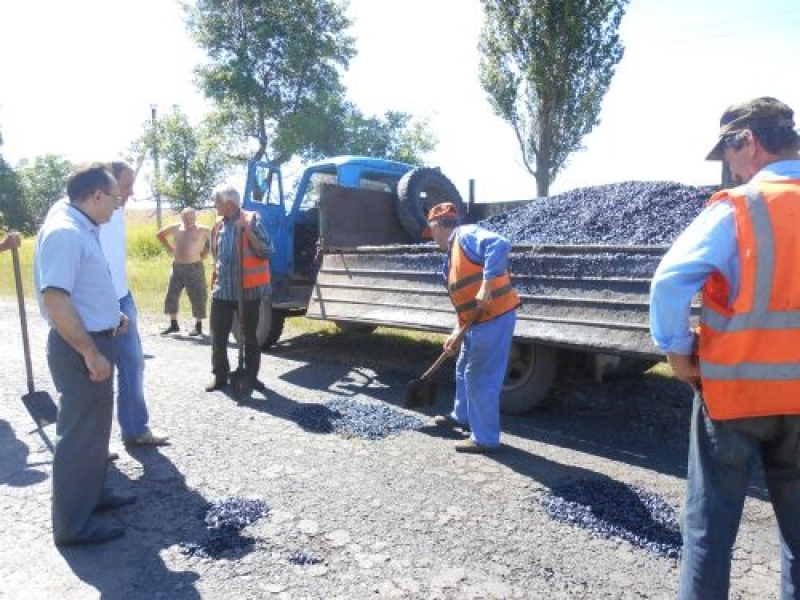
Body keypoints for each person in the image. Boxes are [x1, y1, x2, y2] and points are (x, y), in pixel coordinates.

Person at [649, 97, 800, 599]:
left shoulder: (740, 209)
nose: (729, 169)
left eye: (728, 155)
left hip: (733, 396)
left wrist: (676, 351)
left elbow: (670, 281)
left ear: (749, 143)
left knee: (709, 535)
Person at [34, 163, 136, 545]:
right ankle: (73, 526)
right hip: (80, 347)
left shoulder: (80, 223)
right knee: (79, 437)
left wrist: (112, 316)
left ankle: (92, 495)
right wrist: (91, 353)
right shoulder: (65, 231)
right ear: (96, 196)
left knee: (95, 432)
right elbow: (56, 299)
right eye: (115, 197)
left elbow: (82, 288)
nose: (118, 204)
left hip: (94, 336)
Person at [426, 202, 520, 454]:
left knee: (480, 377)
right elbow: (464, 303)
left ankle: (485, 439)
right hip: (475, 322)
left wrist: (486, 286)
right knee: (463, 368)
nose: (432, 238)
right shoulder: (451, 257)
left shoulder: (466, 234)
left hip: (494, 317)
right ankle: (462, 416)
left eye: (431, 232)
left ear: (436, 226)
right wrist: (456, 334)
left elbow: (499, 244)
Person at [99, 162, 169, 446]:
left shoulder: (118, 209)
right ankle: (93, 445)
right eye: (126, 185)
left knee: (133, 363)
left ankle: (135, 429)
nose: (132, 191)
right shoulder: (93, 215)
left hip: (123, 296)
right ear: (106, 188)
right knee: (97, 373)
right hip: (99, 302)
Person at [206, 186, 273, 394]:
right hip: (223, 291)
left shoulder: (251, 219)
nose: (215, 205)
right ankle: (220, 377)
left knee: (249, 338)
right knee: (218, 337)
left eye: (217, 201)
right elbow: (214, 255)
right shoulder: (217, 225)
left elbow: (268, 250)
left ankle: (251, 378)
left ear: (228, 203)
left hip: (248, 291)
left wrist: (250, 234)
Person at [156, 207, 211, 337]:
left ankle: (198, 326)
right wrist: (169, 248)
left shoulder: (202, 229)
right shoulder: (176, 228)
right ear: (182, 217)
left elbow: (217, 237)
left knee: (198, 295)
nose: (189, 220)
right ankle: (173, 324)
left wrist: (207, 251)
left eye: (191, 217)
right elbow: (160, 234)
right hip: (177, 267)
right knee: (171, 295)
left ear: (195, 218)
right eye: (186, 218)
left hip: (194, 267)